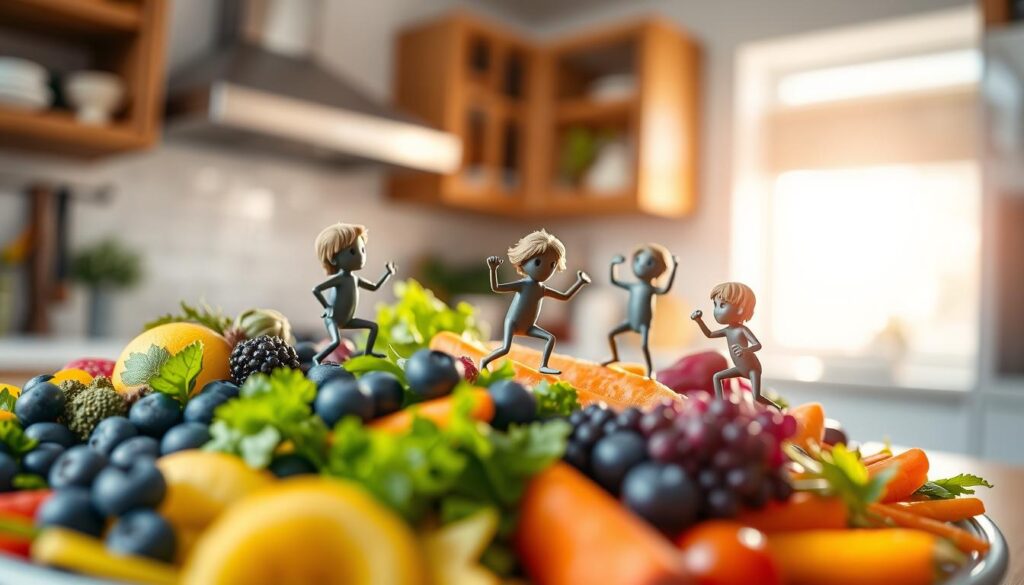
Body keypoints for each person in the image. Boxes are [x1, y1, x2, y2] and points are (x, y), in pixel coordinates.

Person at [480, 229, 590, 375]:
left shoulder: (542, 289)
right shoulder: (523, 285)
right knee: (505, 348)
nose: (546, 269)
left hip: (529, 327)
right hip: (513, 323)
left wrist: (580, 282)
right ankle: (484, 361)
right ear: (524, 260)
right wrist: (493, 269)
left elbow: (565, 296)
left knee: (550, 338)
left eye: (552, 265)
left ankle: (543, 365)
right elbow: (496, 287)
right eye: (538, 262)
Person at [312, 222, 395, 364]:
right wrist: (327, 307)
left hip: (347, 320)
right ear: (333, 258)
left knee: (373, 327)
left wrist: (388, 273)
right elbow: (316, 289)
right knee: (336, 342)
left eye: (362, 250)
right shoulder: (339, 279)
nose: (361, 256)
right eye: (352, 252)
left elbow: (374, 287)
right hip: (333, 319)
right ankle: (316, 359)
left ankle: (368, 352)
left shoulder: (355, 279)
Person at [691, 282, 779, 408]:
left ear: (741, 308)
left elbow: (757, 345)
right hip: (740, 368)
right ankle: (720, 405)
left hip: (752, 368)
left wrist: (745, 349)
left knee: (756, 397)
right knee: (717, 377)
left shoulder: (742, 330)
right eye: (715, 305)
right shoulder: (727, 331)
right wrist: (699, 321)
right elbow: (709, 334)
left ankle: (777, 408)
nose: (716, 311)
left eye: (722, 305)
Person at [601, 244, 679, 378]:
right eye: (638, 260)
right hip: (630, 321)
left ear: (660, 270)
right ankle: (614, 357)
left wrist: (675, 267)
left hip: (644, 324)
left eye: (649, 263)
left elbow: (666, 289)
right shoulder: (634, 286)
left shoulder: (651, 289)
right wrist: (614, 264)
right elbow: (614, 281)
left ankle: (650, 371)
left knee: (644, 347)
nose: (642, 265)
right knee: (611, 334)